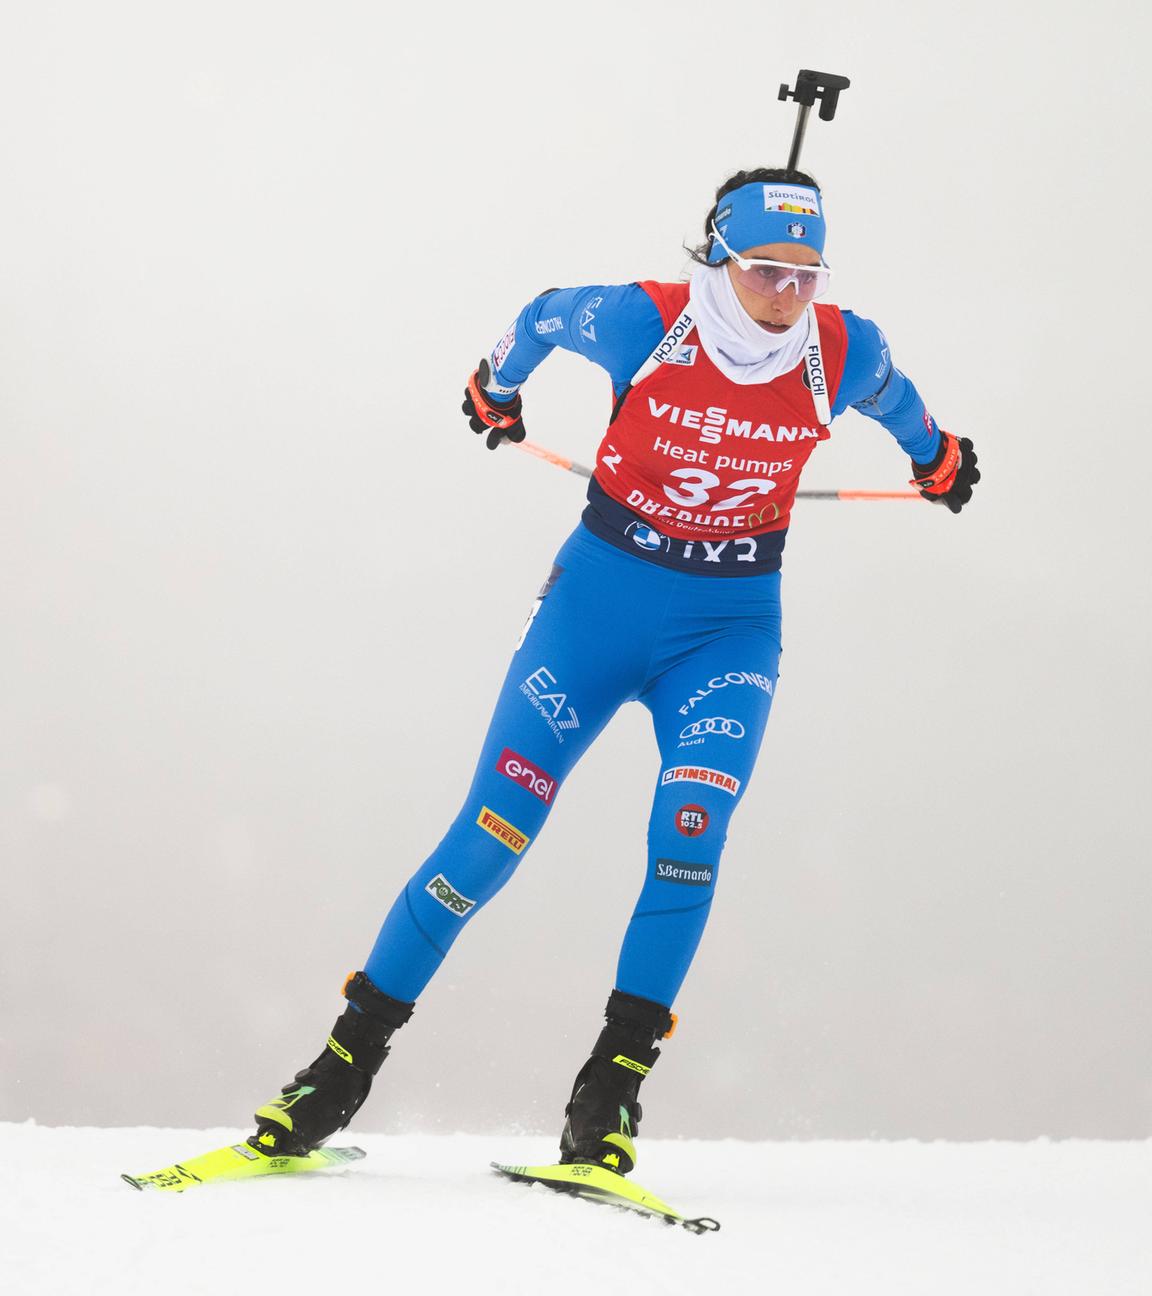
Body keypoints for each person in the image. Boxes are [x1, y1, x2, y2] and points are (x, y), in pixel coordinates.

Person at [247, 167, 979, 1176]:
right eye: (765, 270)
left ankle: (609, 1096)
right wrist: (496, 385)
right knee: (492, 834)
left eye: (806, 274)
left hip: (726, 633)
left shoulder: (843, 350)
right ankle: (338, 1072)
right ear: (720, 257)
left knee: (690, 834)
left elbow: (904, 408)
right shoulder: (646, 321)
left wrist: (939, 460)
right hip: (595, 611)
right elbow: (541, 316)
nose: (786, 295)